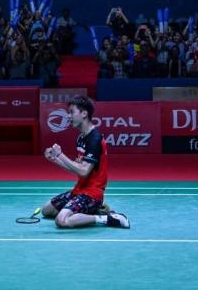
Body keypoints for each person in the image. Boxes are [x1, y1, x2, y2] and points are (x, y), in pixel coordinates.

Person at [40, 96, 130, 229]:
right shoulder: (81, 137)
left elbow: (84, 170)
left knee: (62, 221)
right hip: (80, 189)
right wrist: (55, 159)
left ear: (84, 113)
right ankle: (96, 209)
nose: (69, 117)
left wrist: (61, 154)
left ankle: (107, 218)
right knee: (47, 210)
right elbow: (78, 170)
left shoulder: (94, 139)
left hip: (92, 193)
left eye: (71, 112)